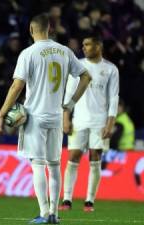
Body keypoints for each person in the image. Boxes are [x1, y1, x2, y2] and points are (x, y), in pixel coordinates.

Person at [0, 13, 91, 224]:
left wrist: (2, 114)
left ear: (31, 29)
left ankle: (44, 213)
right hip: (56, 116)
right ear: (50, 29)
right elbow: (86, 76)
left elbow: (16, 86)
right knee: (54, 165)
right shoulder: (64, 51)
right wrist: (71, 104)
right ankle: (54, 214)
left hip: (35, 117)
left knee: (38, 164)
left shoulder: (28, 53)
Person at [60, 35, 119, 212]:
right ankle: (67, 200)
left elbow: (113, 98)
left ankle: (89, 201)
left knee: (95, 159)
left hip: (100, 122)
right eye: (83, 44)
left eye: (88, 44)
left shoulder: (110, 69)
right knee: (73, 157)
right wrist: (65, 118)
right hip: (79, 120)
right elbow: (69, 93)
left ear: (98, 46)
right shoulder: (77, 65)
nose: (84, 47)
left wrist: (110, 123)